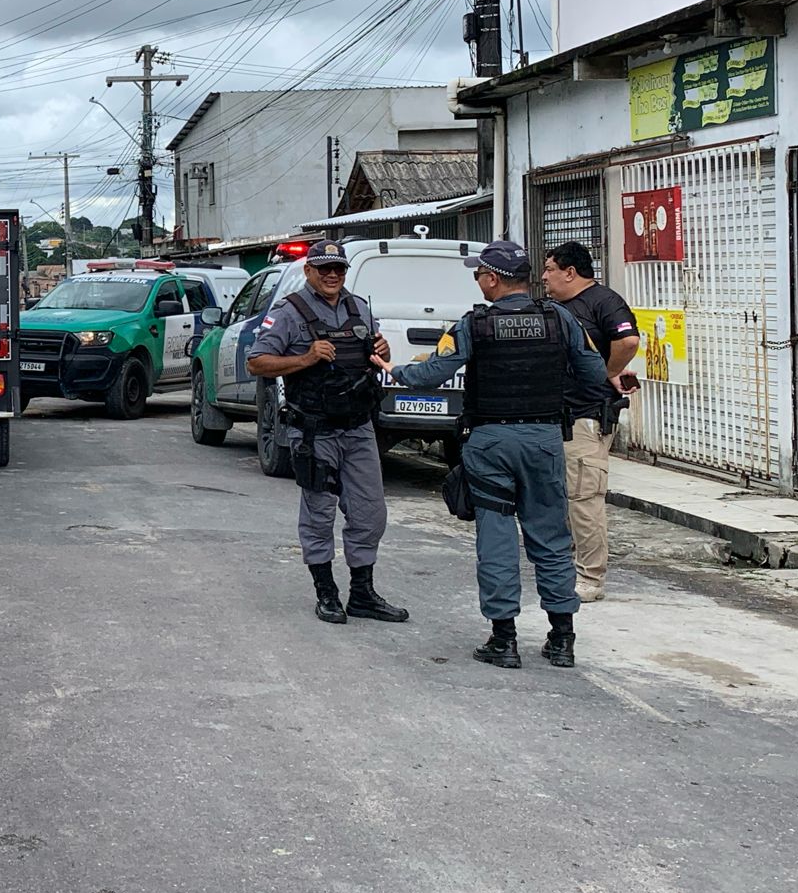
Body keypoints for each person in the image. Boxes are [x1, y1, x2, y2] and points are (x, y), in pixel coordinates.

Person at [376, 242, 610, 670]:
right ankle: (562, 640)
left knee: (497, 538)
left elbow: (433, 373)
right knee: (552, 539)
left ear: (492, 279)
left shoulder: (474, 324)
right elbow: (595, 375)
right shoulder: (560, 318)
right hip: (544, 440)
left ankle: (504, 641)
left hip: (491, 442)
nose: (478, 283)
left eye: (478, 275)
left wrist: (395, 372)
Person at [246, 239, 407, 626]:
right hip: (315, 431)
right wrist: (306, 357)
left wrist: (379, 346)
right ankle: (326, 592)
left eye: (339, 269)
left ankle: (362, 594)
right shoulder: (289, 312)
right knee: (319, 514)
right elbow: (256, 363)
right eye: (324, 269)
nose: (332, 275)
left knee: (371, 514)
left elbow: (373, 355)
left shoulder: (360, 308)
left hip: (358, 427)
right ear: (309, 271)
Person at [542, 242, 640, 602]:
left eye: (550, 269)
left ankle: (590, 578)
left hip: (586, 417)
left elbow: (627, 340)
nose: (544, 276)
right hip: (556, 416)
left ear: (570, 272)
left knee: (584, 498)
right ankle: (566, 567)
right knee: (561, 496)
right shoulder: (556, 307)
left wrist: (605, 373)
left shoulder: (603, 301)